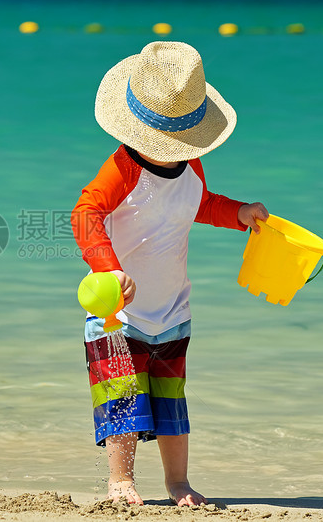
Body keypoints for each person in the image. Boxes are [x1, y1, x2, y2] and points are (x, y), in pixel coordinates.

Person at [71, 42, 269, 506]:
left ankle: (178, 483)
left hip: (173, 311)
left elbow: (197, 202)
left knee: (171, 404)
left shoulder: (192, 166)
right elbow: (84, 215)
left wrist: (238, 211)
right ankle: (121, 482)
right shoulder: (122, 168)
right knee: (121, 399)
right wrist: (109, 269)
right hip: (117, 314)